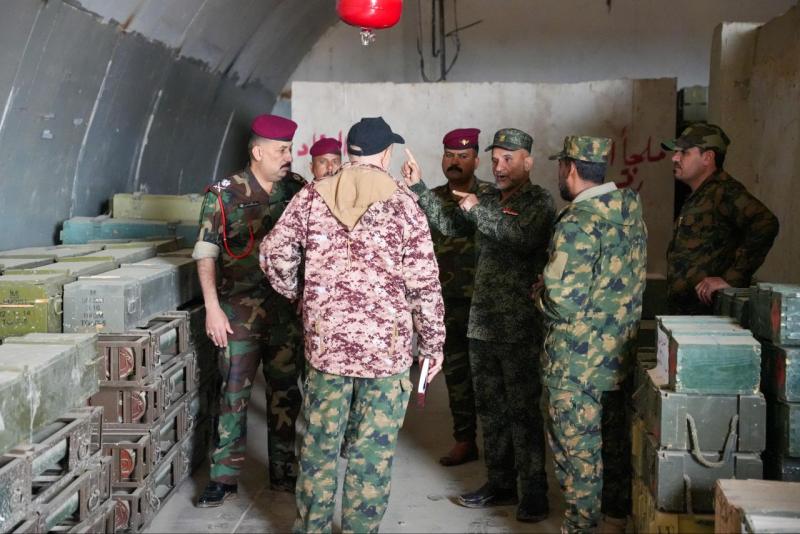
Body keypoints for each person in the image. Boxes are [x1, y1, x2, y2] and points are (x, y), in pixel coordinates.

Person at [261, 116, 446, 533]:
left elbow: (274, 252)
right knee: (371, 452)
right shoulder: (403, 203)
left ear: (350, 152)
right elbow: (424, 283)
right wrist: (433, 345)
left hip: (326, 349)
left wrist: (301, 296)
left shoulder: (313, 195)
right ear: (386, 153)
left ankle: (312, 528)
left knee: (319, 447)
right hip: (386, 353)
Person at [405, 128, 555, 523]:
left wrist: (476, 210)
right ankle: (501, 484)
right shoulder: (486, 199)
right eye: (496, 159)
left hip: (518, 326)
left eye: (508, 159)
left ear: (527, 162)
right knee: (491, 412)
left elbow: (520, 237)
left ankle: (534, 493)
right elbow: (450, 225)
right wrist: (419, 187)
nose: (499, 167)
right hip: (482, 323)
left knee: (523, 413)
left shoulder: (538, 201)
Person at [192, 114, 305, 507]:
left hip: (285, 311)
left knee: (286, 392)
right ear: (258, 153)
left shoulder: (297, 190)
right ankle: (223, 478)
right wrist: (212, 308)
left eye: (289, 149)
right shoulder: (224, 194)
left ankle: (284, 472)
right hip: (238, 311)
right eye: (281, 150)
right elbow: (206, 253)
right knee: (233, 393)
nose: (288, 156)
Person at [536, 135, 647, 533]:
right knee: (614, 442)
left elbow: (561, 301)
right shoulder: (629, 210)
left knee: (577, 453)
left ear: (569, 168)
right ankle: (616, 518)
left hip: (576, 362)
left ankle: (580, 527)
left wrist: (539, 295)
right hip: (618, 354)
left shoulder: (577, 222)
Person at [661, 123, 779, 314]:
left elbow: (765, 222)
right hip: (688, 312)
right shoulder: (702, 194)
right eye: (675, 152)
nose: (674, 158)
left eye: (684, 153)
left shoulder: (724, 191)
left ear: (707, 157)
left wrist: (732, 278)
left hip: (710, 312)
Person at [428, 128, 492, 466]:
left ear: (476, 160)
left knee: (489, 377)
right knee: (455, 373)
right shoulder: (431, 198)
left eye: (463, 157)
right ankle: (464, 440)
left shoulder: (491, 196)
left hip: (485, 303)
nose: (455, 162)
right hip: (446, 302)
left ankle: (496, 447)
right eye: (450, 155)